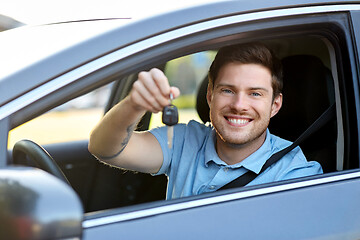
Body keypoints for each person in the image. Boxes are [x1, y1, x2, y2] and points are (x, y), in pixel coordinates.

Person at [88, 43, 323, 199]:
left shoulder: (297, 175)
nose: (239, 105)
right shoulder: (183, 140)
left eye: (255, 93)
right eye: (228, 90)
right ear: (210, 95)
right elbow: (105, 149)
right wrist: (134, 104)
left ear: (275, 105)